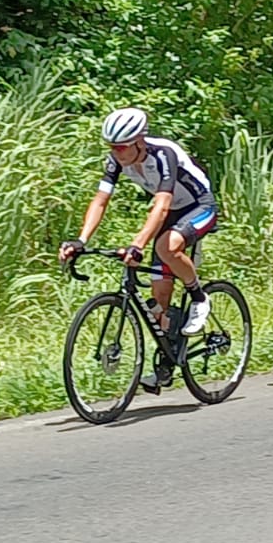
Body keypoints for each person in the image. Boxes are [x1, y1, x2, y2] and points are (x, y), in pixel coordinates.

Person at [59, 107, 216, 392]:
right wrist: (81, 240)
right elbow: (100, 201)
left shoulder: (163, 154)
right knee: (160, 297)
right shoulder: (116, 160)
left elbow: (162, 204)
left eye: (121, 147)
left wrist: (137, 244)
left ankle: (199, 297)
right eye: (112, 147)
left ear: (139, 141)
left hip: (199, 205)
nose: (116, 153)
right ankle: (167, 364)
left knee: (167, 246)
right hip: (169, 213)